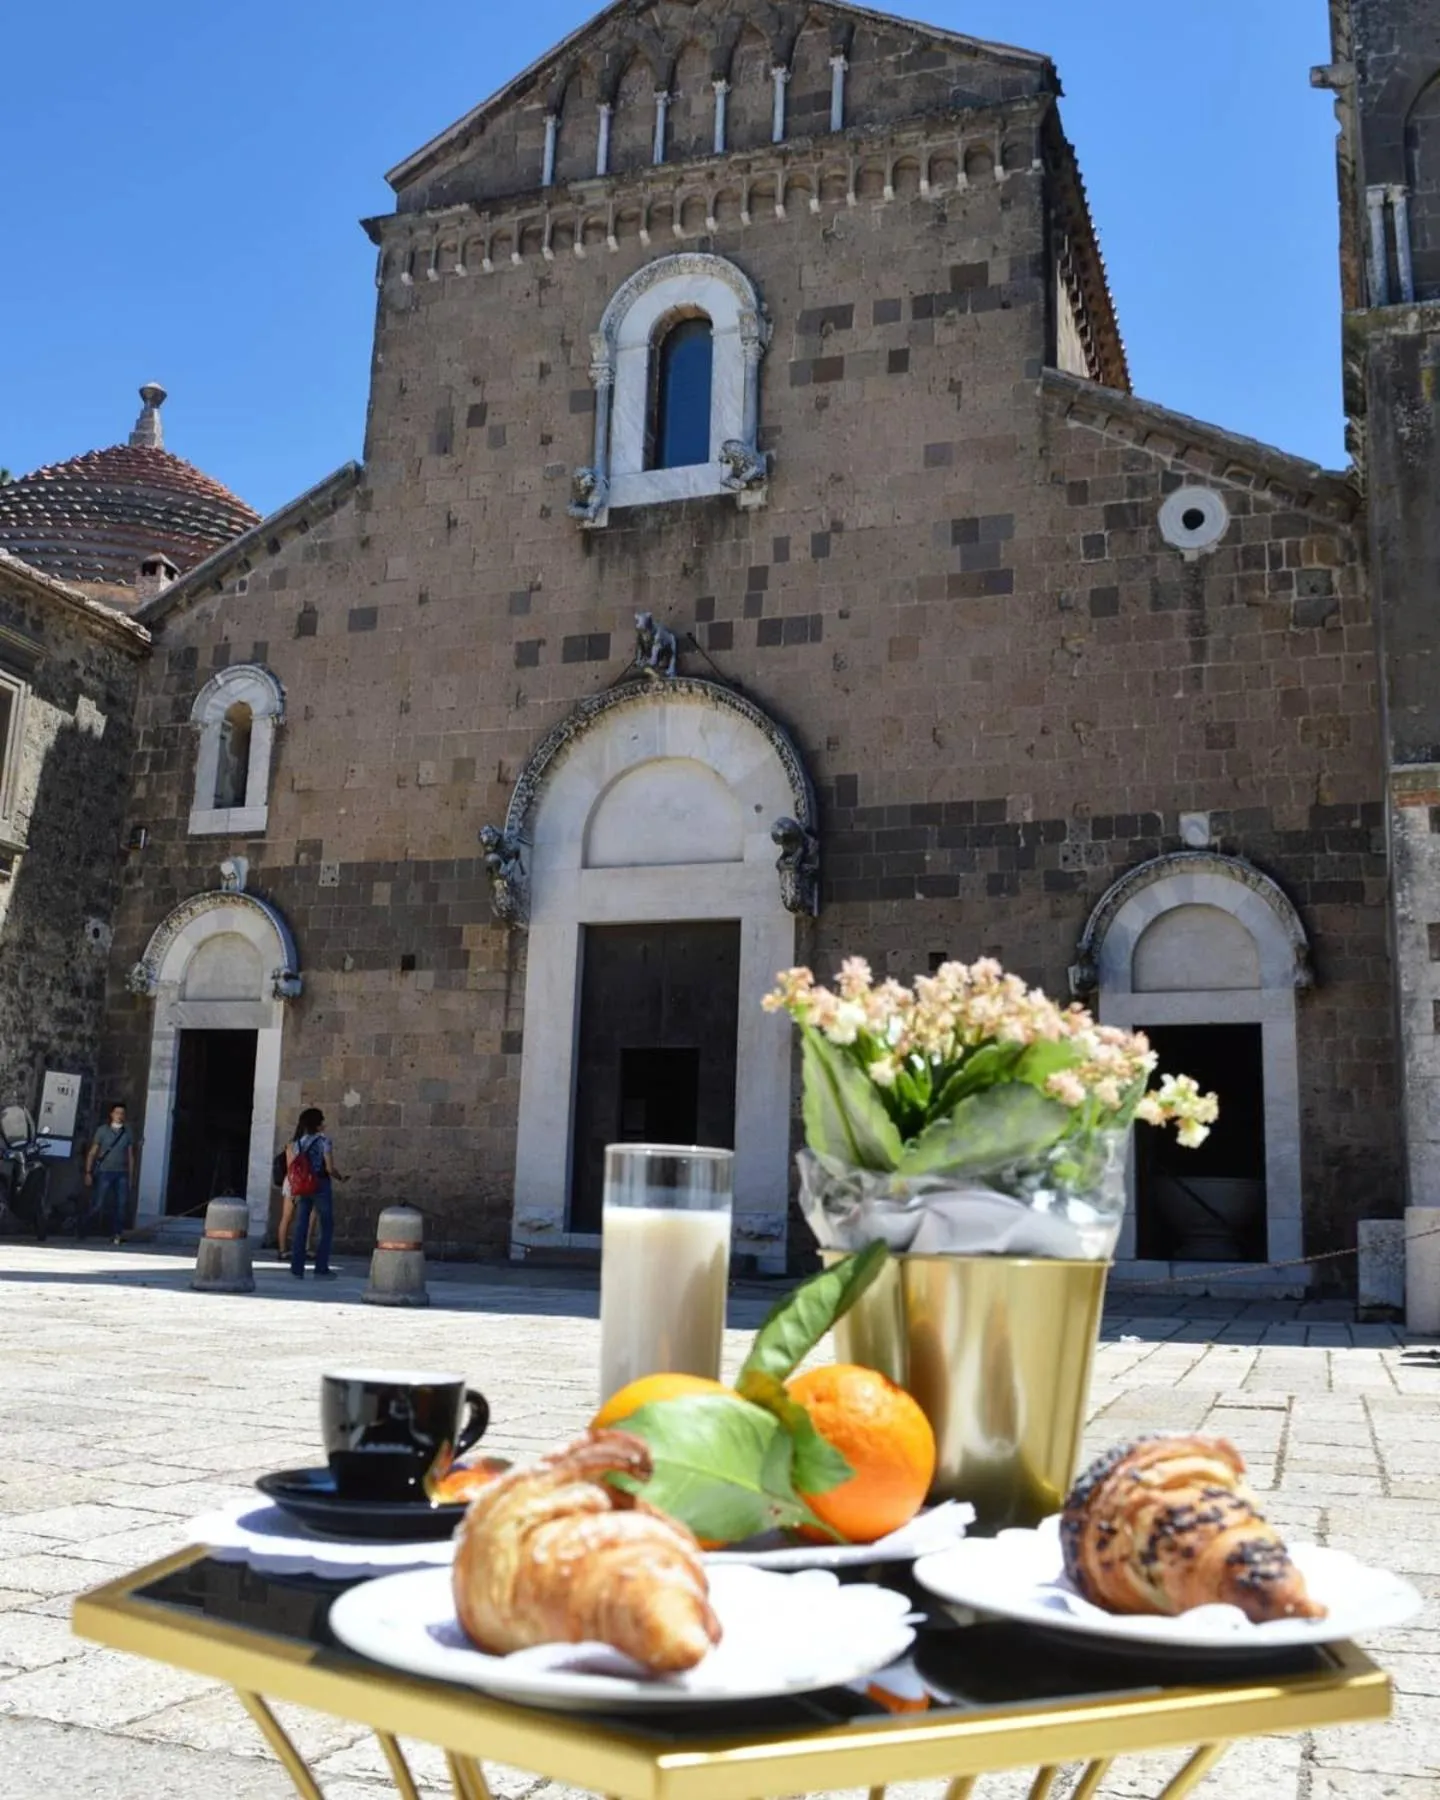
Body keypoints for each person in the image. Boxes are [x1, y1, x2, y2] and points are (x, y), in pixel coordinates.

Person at [285, 1108, 346, 1280]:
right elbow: (329, 1168)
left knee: (301, 1226)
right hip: (320, 1184)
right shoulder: (324, 1141)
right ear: (318, 1124)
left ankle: (297, 1269)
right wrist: (340, 1178)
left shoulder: (297, 1143)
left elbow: (292, 1168)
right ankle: (321, 1268)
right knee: (326, 1226)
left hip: (304, 1186)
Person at [84, 1102, 136, 1245]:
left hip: (122, 1173)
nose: (120, 1116)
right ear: (112, 1114)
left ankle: (116, 1234)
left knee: (121, 1205)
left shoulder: (128, 1132)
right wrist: (88, 1172)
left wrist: (131, 1177)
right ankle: (83, 1226)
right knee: (98, 1203)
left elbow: (130, 1156)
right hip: (104, 1171)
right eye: (117, 1113)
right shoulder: (102, 1131)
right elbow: (93, 1152)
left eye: (122, 1113)